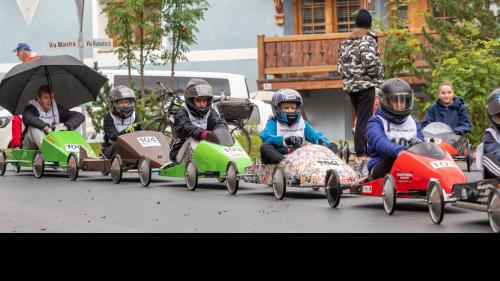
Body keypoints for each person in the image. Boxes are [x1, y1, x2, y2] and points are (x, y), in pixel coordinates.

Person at [338, 9, 384, 169]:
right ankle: (361, 154)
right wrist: (376, 77)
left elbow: (340, 67)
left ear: (356, 23)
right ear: (369, 24)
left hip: (351, 88)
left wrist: (350, 78)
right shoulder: (368, 40)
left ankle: (363, 152)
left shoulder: (347, 41)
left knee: (361, 119)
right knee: (365, 121)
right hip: (366, 86)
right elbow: (371, 64)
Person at [259, 88, 338, 165]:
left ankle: (327, 165)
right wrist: (284, 141)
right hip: (280, 157)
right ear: (277, 108)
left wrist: (322, 142)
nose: (290, 110)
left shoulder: (302, 123)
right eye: (286, 108)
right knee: (265, 147)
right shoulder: (274, 122)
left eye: (293, 108)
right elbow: (265, 136)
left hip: (300, 157)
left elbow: (315, 136)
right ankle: (286, 165)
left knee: (333, 146)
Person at [366, 78, 424, 180]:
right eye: (395, 100)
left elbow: (422, 144)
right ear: (385, 101)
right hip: (381, 166)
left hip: (411, 165)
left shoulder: (413, 122)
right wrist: (401, 152)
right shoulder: (375, 122)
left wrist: (422, 147)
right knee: (393, 158)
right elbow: (380, 142)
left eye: (403, 100)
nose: (400, 104)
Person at [169, 78, 226, 162]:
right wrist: (202, 133)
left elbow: (219, 123)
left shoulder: (210, 112)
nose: (202, 104)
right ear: (191, 100)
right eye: (198, 100)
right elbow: (185, 127)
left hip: (204, 150)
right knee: (193, 139)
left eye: (204, 100)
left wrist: (222, 131)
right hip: (180, 151)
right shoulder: (182, 112)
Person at [22, 85, 85, 150]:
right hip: (31, 147)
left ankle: (76, 152)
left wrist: (67, 126)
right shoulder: (31, 108)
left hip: (52, 142)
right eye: (46, 97)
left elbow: (80, 116)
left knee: (73, 126)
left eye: (51, 97)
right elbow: (27, 117)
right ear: (39, 99)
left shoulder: (57, 109)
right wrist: (44, 127)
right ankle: (51, 151)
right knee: (32, 128)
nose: (50, 101)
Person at [10, 43, 40, 148]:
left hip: (33, 99)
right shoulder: (36, 60)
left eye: (17, 52)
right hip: (35, 99)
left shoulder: (30, 63)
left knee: (16, 118)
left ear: (23, 51)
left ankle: (17, 145)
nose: (17, 55)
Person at [101, 85, 141, 159]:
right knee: (118, 144)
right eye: (121, 103)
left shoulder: (135, 117)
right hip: (110, 148)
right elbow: (113, 137)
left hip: (132, 148)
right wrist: (128, 130)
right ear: (114, 103)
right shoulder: (109, 117)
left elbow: (140, 135)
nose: (124, 106)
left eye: (126, 102)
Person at [480, 88, 500, 179]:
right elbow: (494, 152)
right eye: (499, 116)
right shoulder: (490, 134)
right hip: (495, 179)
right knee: (490, 156)